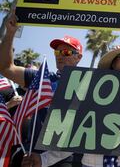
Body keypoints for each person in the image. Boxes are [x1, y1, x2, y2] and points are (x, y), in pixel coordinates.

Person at [0, 11, 84, 166]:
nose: (60, 55)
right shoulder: (42, 79)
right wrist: (11, 33)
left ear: (78, 57)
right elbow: (6, 68)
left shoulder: (89, 84)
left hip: (70, 159)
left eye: (66, 51)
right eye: (57, 51)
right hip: (33, 156)